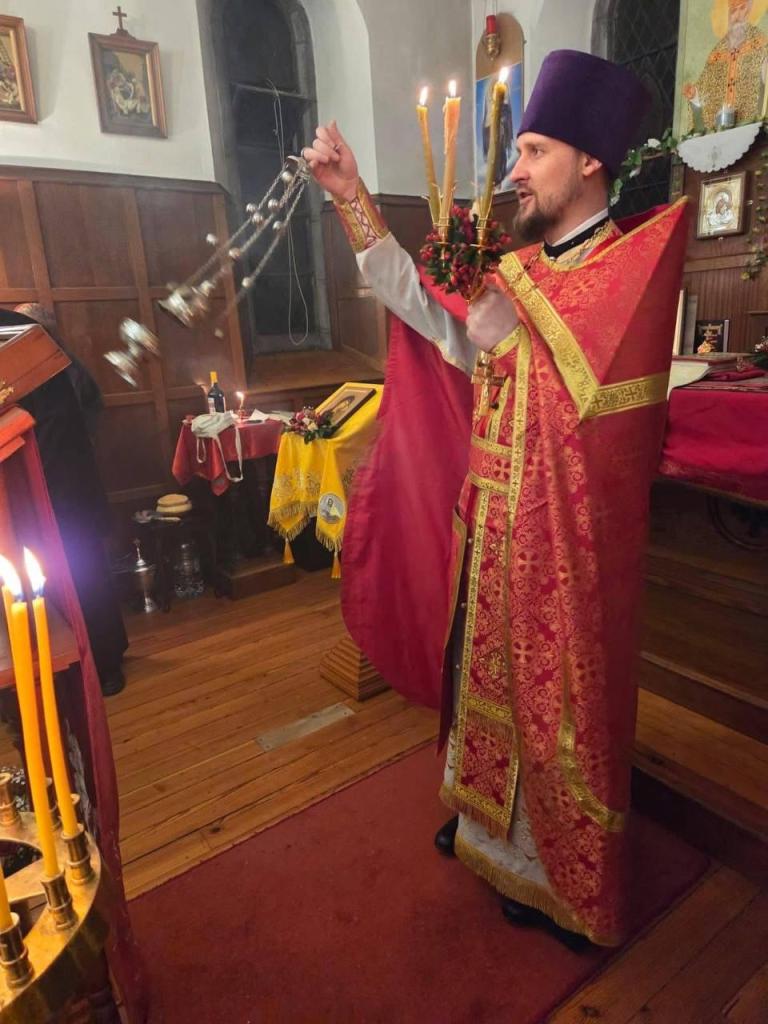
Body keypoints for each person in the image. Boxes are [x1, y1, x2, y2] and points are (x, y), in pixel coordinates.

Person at [304, 48, 688, 950]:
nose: (514, 169)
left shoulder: (632, 267)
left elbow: (608, 432)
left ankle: (562, 874)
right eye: (516, 152)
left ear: (589, 161)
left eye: (534, 151)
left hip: (566, 541)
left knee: (556, 706)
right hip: (490, 524)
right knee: (484, 688)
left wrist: (511, 336)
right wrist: (351, 197)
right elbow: (430, 314)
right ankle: (487, 831)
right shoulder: (515, 269)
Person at [2, 306, 128, 696]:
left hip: (58, 481)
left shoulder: (24, 337)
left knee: (83, 571)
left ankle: (104, 662)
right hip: (31, 486)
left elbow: (81, 403)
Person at [683, 0, 768, 131]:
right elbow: (705, 89)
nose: (738, 16)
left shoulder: (761, 44)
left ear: (750, 11)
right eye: (733, 11)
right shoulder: (717, 53)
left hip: (750, 130)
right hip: (719, 134)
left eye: (742, 9)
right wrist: (695, 95)